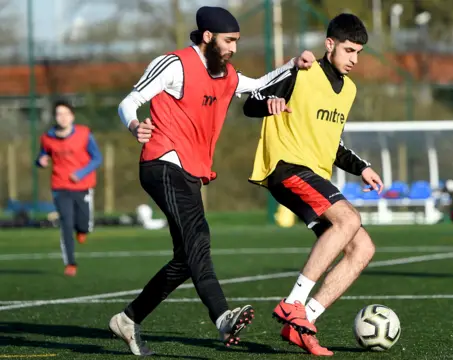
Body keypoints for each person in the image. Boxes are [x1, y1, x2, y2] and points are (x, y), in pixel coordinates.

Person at [110, 6, 316, 356]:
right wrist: (135, 126)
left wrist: (292, 65)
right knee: (200, 239)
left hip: (190, 172)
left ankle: (128, 319)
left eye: (236, 41)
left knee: (185, 258)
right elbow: (129, 101)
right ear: (207, 37)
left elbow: (258, 85)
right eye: (229, 40)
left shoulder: (228, 75)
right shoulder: (174, 64)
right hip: (162, 162)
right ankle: (222, 317)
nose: (234, 47)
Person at [243, 13, 382, 356]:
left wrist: (361, 167)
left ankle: (303, 322)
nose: (354, 59)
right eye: (349, 49)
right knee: (348, 220)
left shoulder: (348, 90)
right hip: (286, 166)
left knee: (362, 248)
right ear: (329, 44)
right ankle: (293, 302)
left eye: (359, 52)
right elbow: (249, 103)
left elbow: (331, 143)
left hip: (314, 175)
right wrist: (269, 104)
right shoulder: (301, 72)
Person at [36, 100, 102, 277]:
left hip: (83, 186)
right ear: (55, 117)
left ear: (72, 116)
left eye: (66, 113)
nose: (62, 117)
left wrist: (81, 173)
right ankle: (70, 263)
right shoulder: (47, 138)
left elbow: (97, 158)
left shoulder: (84, 134)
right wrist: (40, 161)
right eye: (59, 114)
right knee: (66, 223)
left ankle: (82, 231)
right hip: (60, 186)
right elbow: (42, 155)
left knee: (84, 224)